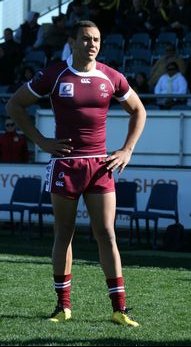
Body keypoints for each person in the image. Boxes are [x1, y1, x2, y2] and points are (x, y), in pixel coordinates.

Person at [6, 20, 146, 326]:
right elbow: (15, 104)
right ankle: (63, 306)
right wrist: (41, 141)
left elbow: (139, 110)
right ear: (73, 42)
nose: (92, 44)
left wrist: (127, 150)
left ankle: (119, 309)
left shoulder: (110, 77)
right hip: (66, 166)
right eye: (85, 39)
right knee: (64, 233)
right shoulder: (55, 74)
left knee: (106, 234)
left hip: (100, 165)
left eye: (96, 39)